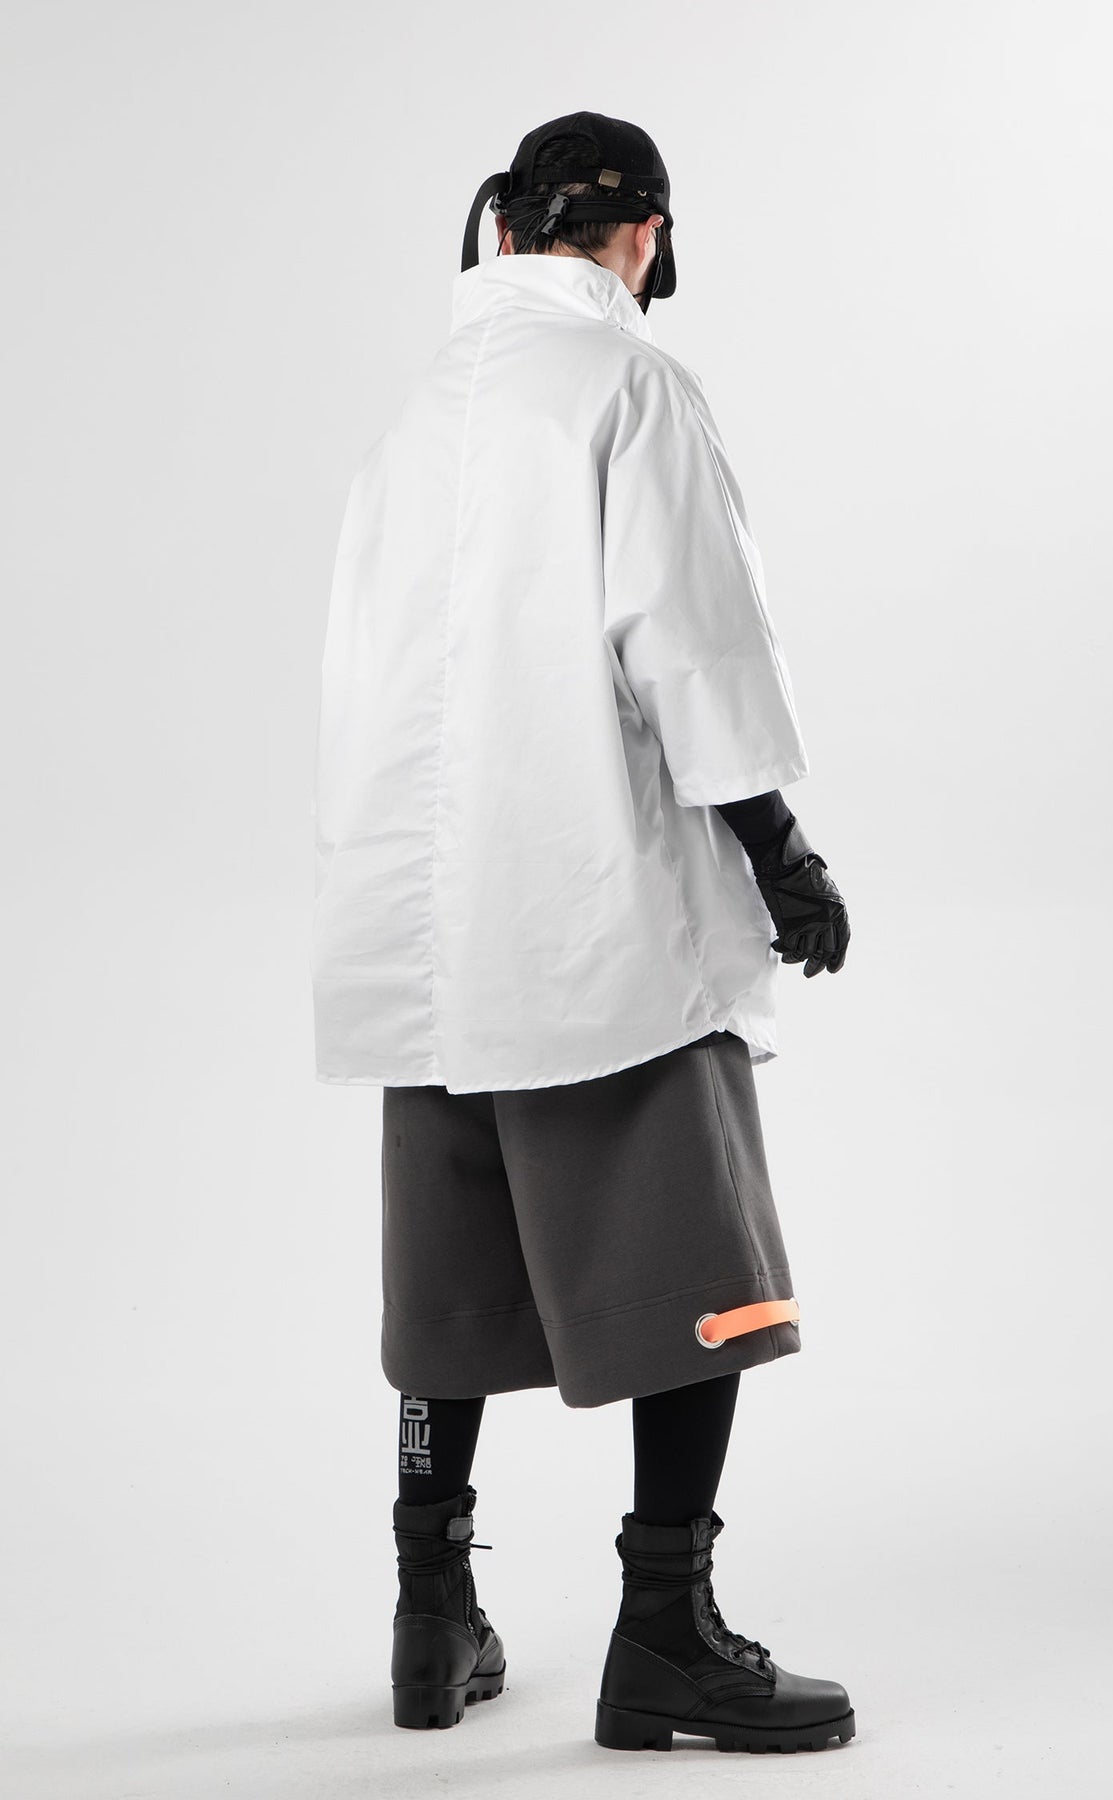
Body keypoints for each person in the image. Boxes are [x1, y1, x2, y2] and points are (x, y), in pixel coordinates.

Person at [310, 109, 854, 1754]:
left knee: (448, 1294)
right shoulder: (627, 388)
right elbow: (691, 642)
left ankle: (430, 1619)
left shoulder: (416, 417)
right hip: (592, 916)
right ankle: (666, 1633)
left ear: (508, 227)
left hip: (424, 935)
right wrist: (782, 855)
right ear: (645, 236)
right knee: (704, 1272)